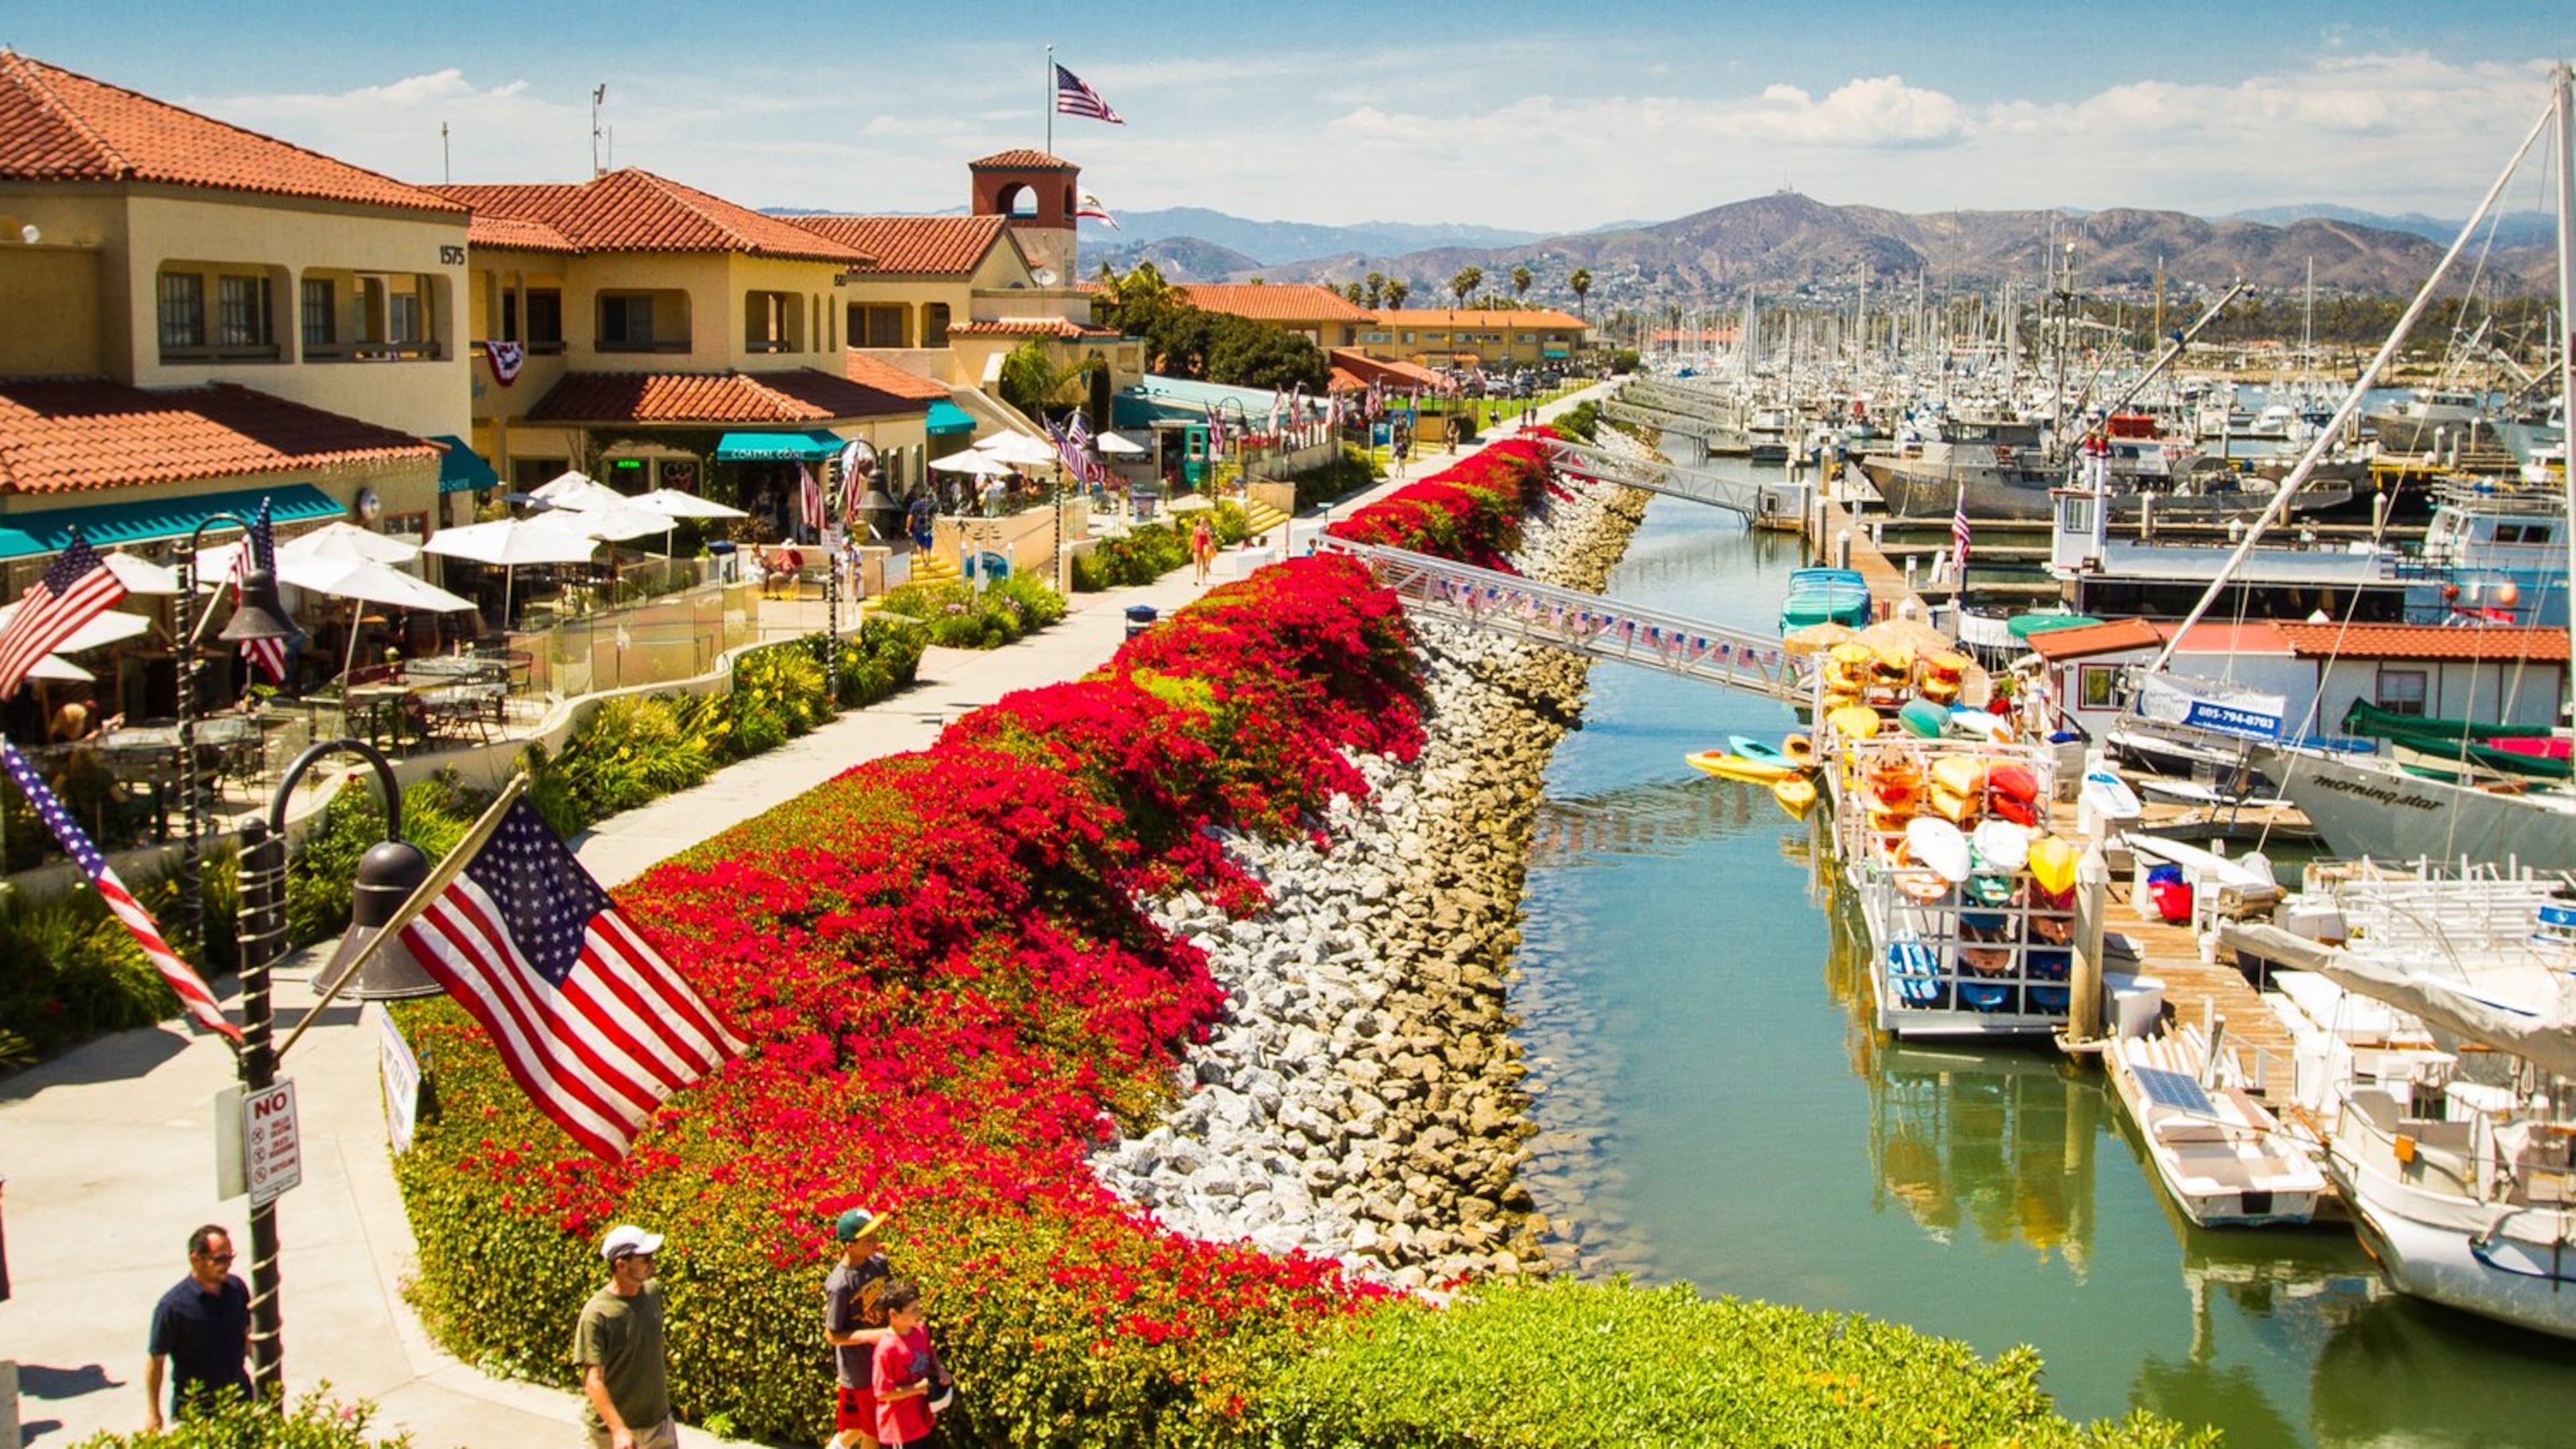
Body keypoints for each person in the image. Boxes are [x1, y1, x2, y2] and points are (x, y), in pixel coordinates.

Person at [574, 1224, 676, 1449]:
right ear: (621, 1265)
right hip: (609, 1435)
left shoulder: (652, 1292)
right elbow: (593, 1381)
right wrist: (618, 1429)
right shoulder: (598, 1313)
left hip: (657, 1426)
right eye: (645, 1259)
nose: (652, 1263)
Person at [145, 1224, 252, 1430]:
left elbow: (245, 1336)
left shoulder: (236, 1289)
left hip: (240, 1401)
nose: (227, 1265)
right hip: (197, 1413)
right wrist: (154, 1413)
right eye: (220, 1259)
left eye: (230, 1258)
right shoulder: (173, 1308)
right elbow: (156, 1361)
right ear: (196, 1259)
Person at [822, 1207, 896, 1449]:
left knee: (865, 1425)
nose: (875, 1243)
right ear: (849, 1245)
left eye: (875, 1237)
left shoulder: (879, 1265)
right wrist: (870, 1335)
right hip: (859, 1368)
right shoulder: (840, 1285)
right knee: (873, 1429)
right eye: (868, 1240)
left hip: (882, 1360)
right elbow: (832, 1335)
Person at [869, 1280, 950, 1449]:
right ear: (893, 1315)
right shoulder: (886, 1349)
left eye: (919, 1307)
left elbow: (930, 1354)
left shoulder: (920, 1330)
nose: (919, 1312)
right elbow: (883, 1393)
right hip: (898, 1431)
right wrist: (918, 1389)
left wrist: (940, 1370)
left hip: (921, 1422)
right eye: (914, 1310)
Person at [1189, 517, 1216, 587]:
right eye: (1202, 521)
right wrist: (1191, 546)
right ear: (1199, 522)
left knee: (1204, 564)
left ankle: (1204, 579)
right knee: (1197, 565)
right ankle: (1197, 580)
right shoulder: (1196, 529)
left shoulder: (1207, 530)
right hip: (1197, 547)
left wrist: (1212, 546)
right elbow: (1194, 538)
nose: (1203, 523)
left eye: (1204, 522)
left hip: (1205, 548)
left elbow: (1209, 539)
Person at [906, 491, 934, 555]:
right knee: (928, 546)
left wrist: (908, 527)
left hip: (918, 527)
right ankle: (927, 560)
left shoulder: (915, 505)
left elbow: (910, 517)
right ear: (926, 497)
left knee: (919, 544)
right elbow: (933, 517)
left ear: (919, 497)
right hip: (928, 527)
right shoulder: (930, 505)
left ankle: (922, 560)